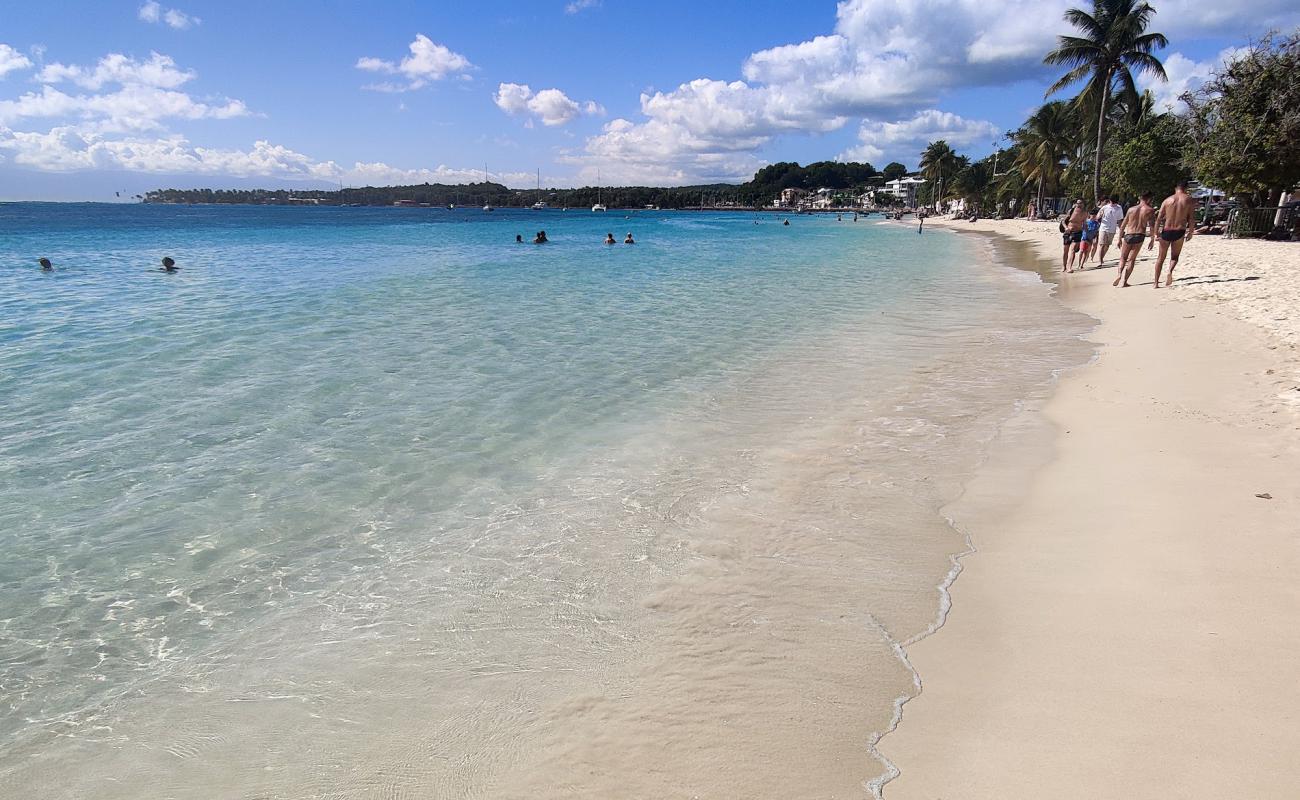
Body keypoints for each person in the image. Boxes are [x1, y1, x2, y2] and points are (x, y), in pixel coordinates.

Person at [1150, 181, 1196, 288]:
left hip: (1167, 230)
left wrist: (1156, 233)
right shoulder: (1188, 200)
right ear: (1186, 188)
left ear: (1176, 188)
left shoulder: (1167, 200)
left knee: (1160, 258)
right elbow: (1191, 218)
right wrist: (1190, 232)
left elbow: (1159, 219)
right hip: (1179, 231)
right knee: (1174, 257)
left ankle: (1156, 283)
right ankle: (1170, 271)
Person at [1114, 192, 1155, 287]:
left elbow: (1122, 226)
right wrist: (1152, 240)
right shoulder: (1150, 210)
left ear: (1140, 198)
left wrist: (1119, 239)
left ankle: (1119, 274)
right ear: (1148, 199)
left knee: (1123, 258)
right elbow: (1152, 227)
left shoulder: (1131, 209)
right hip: (1140, 235)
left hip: (1128, 235)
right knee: (1131, 260)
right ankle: (1124, 281)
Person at [1060, 199, 1087, 273]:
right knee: (1066, 250)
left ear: (1083, 204)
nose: (1079, 204)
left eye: (1080, 203)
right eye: (1077, 203)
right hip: (1068, 232)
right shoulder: (1071, 211)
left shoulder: (1085, 213)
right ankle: (1064, 266)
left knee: (1073, 250)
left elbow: (1084, 224)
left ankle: (1069, 267)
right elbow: (1063, 221)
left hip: (1077, 232)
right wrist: (1066, 228)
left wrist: (1087, 233)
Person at [1095, 196, 1124, 263]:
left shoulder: (1119, 208)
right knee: (1102, 244)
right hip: (1103, 228)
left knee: (1107, 245)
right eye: (1112, 202)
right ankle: (1100, 260)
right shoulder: (1105, 207)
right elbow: (1097, 217)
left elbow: (1120, 220)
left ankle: (1102, 257)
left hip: (1112, 229)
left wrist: (1121, 229)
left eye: (1115, 203)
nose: (1113, 204)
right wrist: (1100, 215)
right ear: (1110, 201)